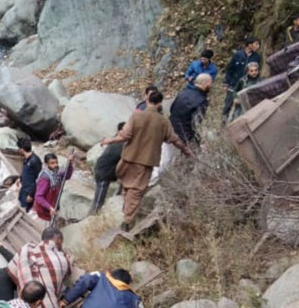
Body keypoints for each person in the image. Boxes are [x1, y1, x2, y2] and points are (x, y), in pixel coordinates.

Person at [100, 90, 192, 231]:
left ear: (147, 100)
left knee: (127, 186)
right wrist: (186, 151)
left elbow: (124, 135)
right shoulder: (163, 122)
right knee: (136, 191)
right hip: (145, 161)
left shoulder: (136, 116)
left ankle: (127, 213)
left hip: (128, 158)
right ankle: (127, 220)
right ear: (160, 103)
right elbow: (174, 139)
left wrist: (109, 140)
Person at [222, 37, 263, 118]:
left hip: (246, 85)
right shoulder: (238, 55)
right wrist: (226, 82)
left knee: (241, 108)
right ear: (249, 45)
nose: (258, 46)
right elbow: (230, 69)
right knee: (227, 105)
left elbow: (256, 71)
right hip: (233, 84)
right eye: (256, 44)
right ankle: (223, 123)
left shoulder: (257, 57)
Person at [90, 122, 124, 215]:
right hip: (104, 171)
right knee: (99, 196)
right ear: (119, 131)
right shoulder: (120, 143)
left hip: (103, 168)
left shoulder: (114, 139)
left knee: (98, 194)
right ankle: (94, 214)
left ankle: (94, 212)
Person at [169, 72, 213, 145]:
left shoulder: (182, 93)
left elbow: (172, 109)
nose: (211, 85)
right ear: (204, 84)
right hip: (186, 138)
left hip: (170, 132)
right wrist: (199, 141)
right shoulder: (201, 101)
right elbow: (196, 123)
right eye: (210, 83)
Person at [32, 153, 73, 223]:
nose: (56, 165)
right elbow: (38, 197)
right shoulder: (45, 179)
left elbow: (67, 175)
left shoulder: (56, 175)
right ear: (46, 164)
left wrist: (69, 164)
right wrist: (50, 207)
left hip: (52, 208)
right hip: (43, 212)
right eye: (52, 163)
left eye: (56, 162)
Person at [16, 138, 42, 212]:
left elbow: (39, 179)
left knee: (28, 210)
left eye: (19, 148)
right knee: (22, 206)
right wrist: (20, 178)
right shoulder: (26, 159)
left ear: (22, 149)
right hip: (24, 189)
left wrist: (31, 194)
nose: (18, 150)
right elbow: (26, 172)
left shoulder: (35, 161)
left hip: (30, 191)